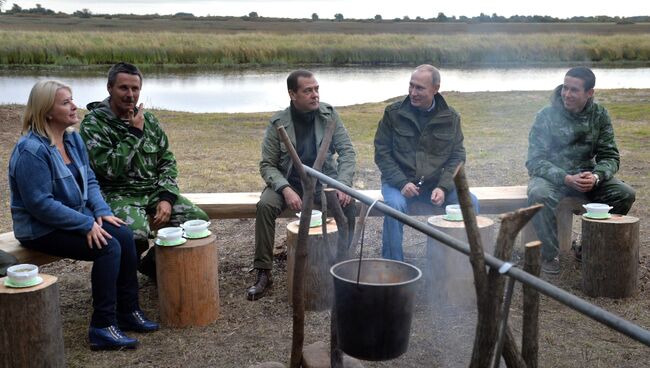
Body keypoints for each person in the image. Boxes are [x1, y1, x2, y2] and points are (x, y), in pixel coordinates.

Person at [8, 80, 158, 350]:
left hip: (76, 218)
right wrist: (86, 222)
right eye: (65, 102)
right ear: (46, 111)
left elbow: (89, 179)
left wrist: (101, 212)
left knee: (122, 233)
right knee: (108, 247)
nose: (74, 106)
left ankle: (128, 310)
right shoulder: (31, 150)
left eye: (72, 99)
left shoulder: (72, 138)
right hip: (40, 229)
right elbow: (40, 205)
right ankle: (102, 326)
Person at [79, 62, 208, 277]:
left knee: (198, 222)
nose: (130, 95)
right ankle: (124, 282)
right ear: (109, 88)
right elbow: (108, 170)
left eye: (135, 89)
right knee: (134, 234)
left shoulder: (149, 120)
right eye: (124, 88)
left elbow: (167, 161)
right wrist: (134, 134)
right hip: (118, 195)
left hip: (153, 193)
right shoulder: (94, 125)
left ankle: (151, 265)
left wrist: (166, 197)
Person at [247, 69, 357, 301]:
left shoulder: (329, 115)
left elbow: (347, 152)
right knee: (265, 206)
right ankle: (263, 272)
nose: (315, 95)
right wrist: (285, 189)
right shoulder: (279, 123)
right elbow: (267, 165)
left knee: (349, 205)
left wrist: (343, 185)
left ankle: (343, 266)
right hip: (290, 183)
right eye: (308, 91)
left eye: (316, 89)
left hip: (324, 182)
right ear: (292, 94)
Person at [526, 66, 635, 274]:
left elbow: (610, 156)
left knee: (624, 194)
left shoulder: (600, 115)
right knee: (538, 194)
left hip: (586, 177)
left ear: (589, 93)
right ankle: (549, 255)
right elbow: (534, 160)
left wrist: (595, 176)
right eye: (565, 88)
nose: (567, 94)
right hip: (552, 177)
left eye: (574, 90)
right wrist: (566, 178)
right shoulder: (546, 115)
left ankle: (585, 247)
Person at [374, 64, 479, 262]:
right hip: (398, 184)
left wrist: (443, 186)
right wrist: (401, 183)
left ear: (435, 89)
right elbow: (382, 153)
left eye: (419, 88)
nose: (413, 92)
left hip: (435, 185)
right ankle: (393, 267)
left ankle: (459, 262)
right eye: (411, 86)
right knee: (394, 207)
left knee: (471, 203)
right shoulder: (393, 113)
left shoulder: (451, 118)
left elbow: (457, 156)